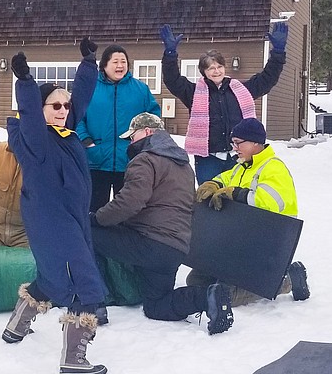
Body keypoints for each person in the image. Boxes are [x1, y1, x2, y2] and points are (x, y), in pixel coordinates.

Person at [2, 38, 110, 374]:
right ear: (41, 109)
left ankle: (16, 328)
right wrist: (26, 81)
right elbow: (31, 113)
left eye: (65, 105)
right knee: (84, 284)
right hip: (54, 224)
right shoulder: (36, 139)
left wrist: (89, 63)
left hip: (68, 221)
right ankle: (73, 361)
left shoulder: (64, 132)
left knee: (52, 277)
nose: (63, 109)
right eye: (55, 105)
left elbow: (81, 97)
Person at [90, 113, 234, 334]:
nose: (130, 142)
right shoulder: (184, 166)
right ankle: (207, 296)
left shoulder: (145, 159)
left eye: (133, 136)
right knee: (157, 305)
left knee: (86, 233)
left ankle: (94, 303)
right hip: (174, 248)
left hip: (147, 242)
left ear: (147, 132)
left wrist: (97, 218)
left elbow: (129, 202)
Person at [189, 117, 310, 306]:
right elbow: (225, 177)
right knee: (196, 281)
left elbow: (269, 204)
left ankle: (287, 282)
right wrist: (214, 183)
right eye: (233, 143)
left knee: (227, 295)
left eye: (238, 143)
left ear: (255, 142)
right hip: (240, 241)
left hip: (267, 245)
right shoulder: (241, 167)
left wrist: (236, 194)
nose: (234, 147)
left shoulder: (274, 167)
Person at [161, 20, 288, 182]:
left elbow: (266, 79)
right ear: (204, 72)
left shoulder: (240, 91)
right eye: (211, 68)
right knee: (209, 199)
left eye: (219, 66)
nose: (216, 71)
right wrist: (170, 55)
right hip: (208, 160)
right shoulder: (193, 93)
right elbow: (172, 80)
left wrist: (278, 52)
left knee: (236, 200)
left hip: (237, 157)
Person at [76, 44, 161, 211]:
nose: (120, 65)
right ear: (105, 65)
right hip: (97, 159)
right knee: (93, 209)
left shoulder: (140, 90)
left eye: (123, 61)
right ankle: (95, 237)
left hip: (131, 162)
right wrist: (86, 141)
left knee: (128, 210)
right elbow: (77, 117)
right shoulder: (91, 89)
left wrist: (142, 144)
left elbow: (154, 119)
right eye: (115, 61)